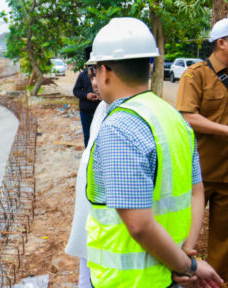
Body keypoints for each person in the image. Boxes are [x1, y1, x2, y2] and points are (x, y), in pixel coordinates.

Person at [85, 17, 223, 287]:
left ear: (104, 71)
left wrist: (188, 265)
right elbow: (197, 192)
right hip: (172, 272)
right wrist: (184, 258)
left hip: (131, 280)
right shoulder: (173, 117)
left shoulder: (119, 127)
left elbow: (139, 224)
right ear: (149, 65)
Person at [176, 17, 228, 281]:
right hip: (198, 172)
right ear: (221, 43)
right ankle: (182, 275)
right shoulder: (195, 74)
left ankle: (216, 281)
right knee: (185, 232)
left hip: (227, 174)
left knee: (224, 239)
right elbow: (186, 116)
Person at [66, 66, 107, 288]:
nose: (93, 82)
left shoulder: (116, 118)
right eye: (91, 77)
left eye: (95, 76)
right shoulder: (103, 109)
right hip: (93, 225)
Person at [73, 50, 101, 146]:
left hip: (99, 109)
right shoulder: (82, 75)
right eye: (90, 66)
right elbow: (76, 91)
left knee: (99, 135)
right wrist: (86, 95)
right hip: (86, 111)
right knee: (88, 135)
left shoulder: (102, 74)